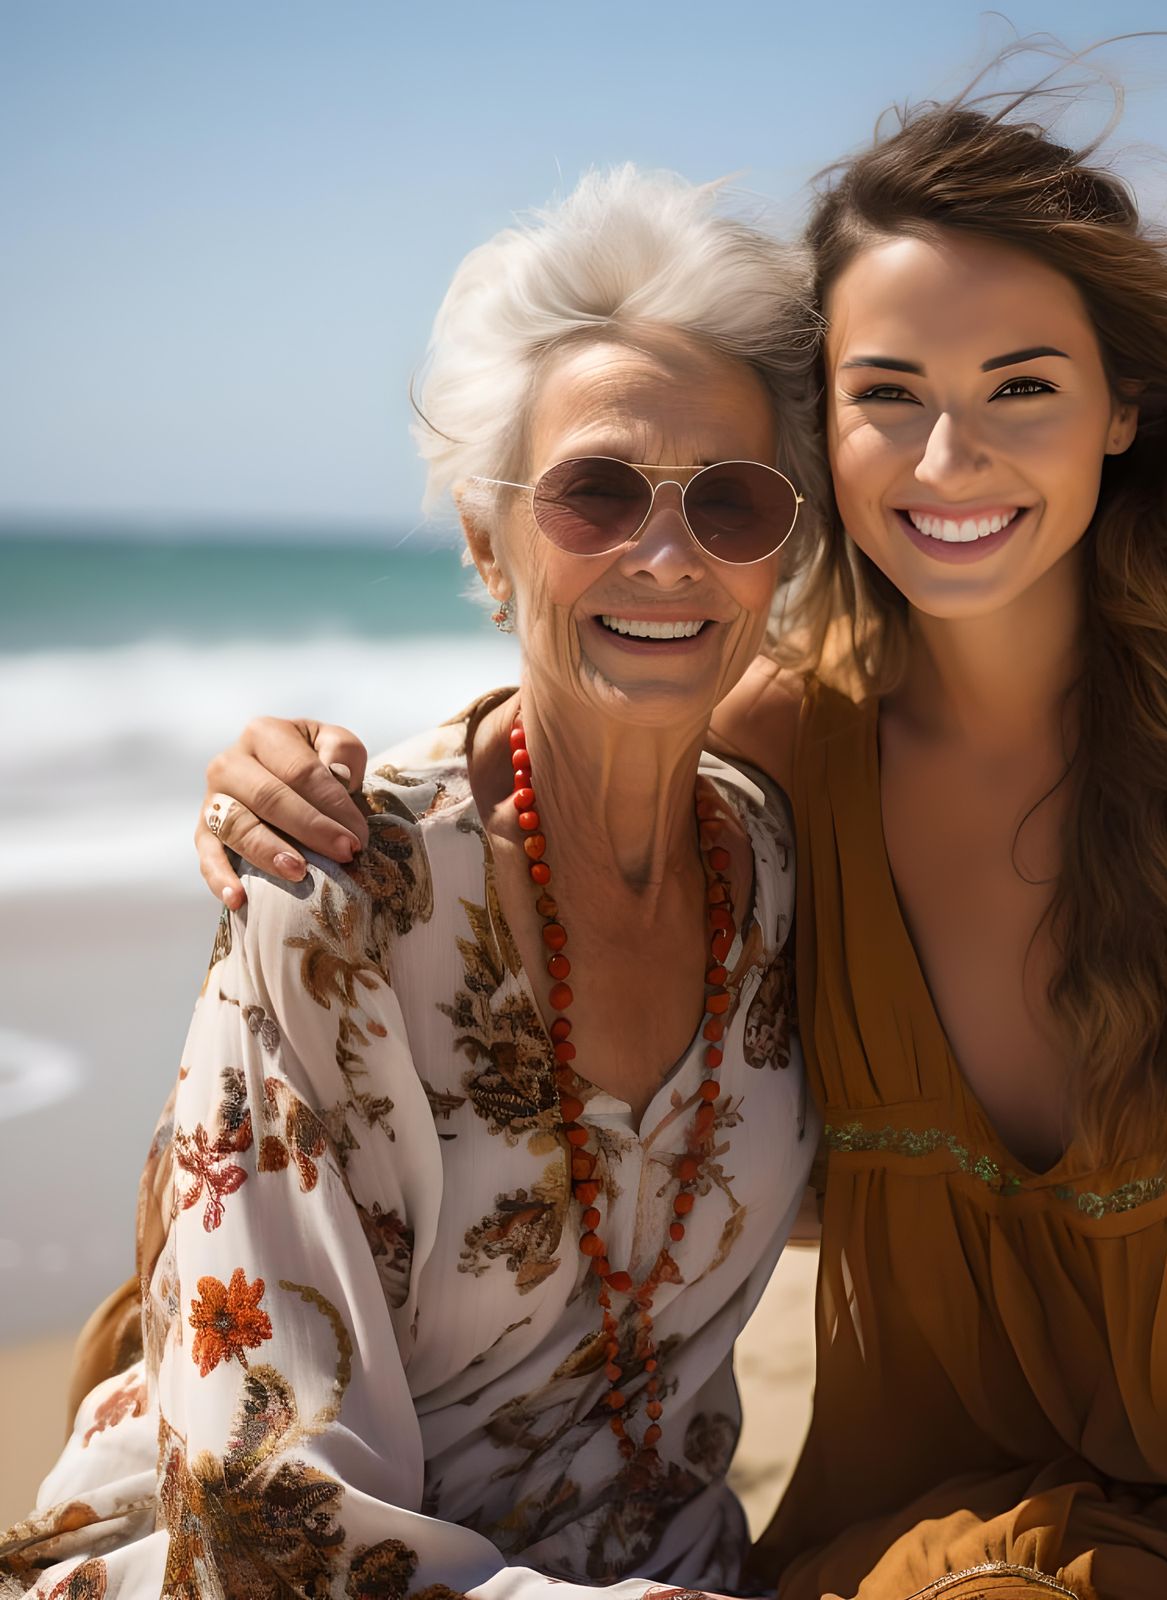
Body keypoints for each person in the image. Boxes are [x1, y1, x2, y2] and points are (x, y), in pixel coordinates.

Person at [190, 81, 1167, 1600]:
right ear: (825, 449)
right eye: (887, 393)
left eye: (1021, 386)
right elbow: (563, 740)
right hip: (966, 1543)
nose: (947, 458)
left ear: (1124, 406)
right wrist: (274, 772)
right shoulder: (789, 758)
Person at [2, 167, 825, 1600]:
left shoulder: (777, 865)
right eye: (596, 490)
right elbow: (264, 1513)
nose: (666, 552)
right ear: (480, 538)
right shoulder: (335, 888)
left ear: (784, 551)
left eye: (733, 502)